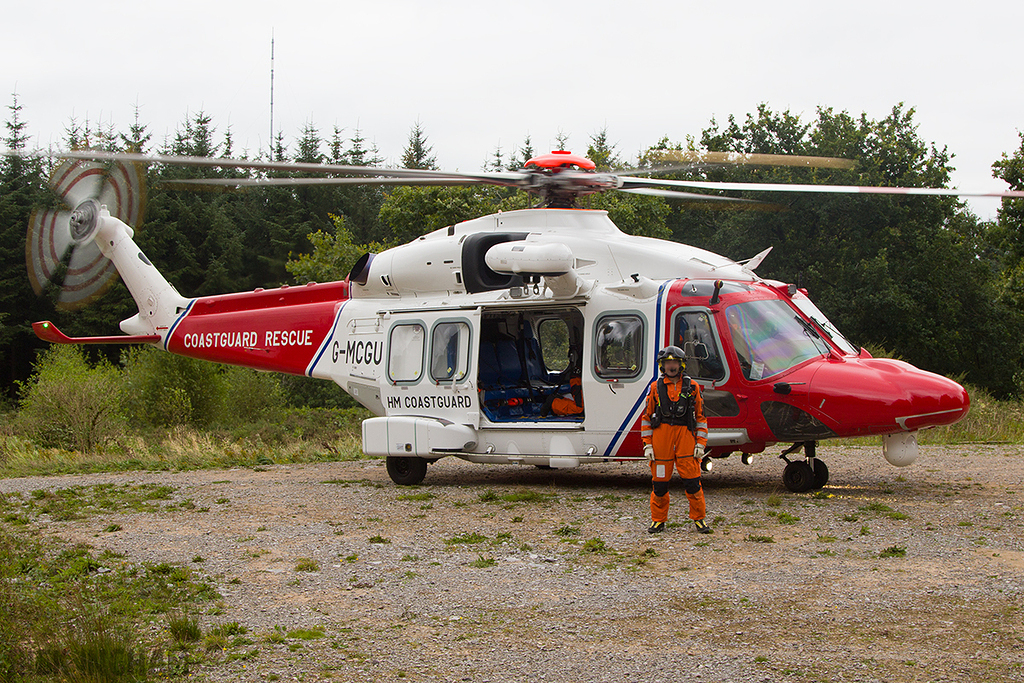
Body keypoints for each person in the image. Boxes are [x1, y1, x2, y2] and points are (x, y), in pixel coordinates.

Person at [641, 345, 711, 534]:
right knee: (660, 484)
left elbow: (701, 417)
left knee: (693, 482)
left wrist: (700, 444)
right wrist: (647, 445)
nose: (671, 366)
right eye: (667, 362)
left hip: (685, 438)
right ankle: (658, 520)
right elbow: (647, 417)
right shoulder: (655, 387)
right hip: (661, 439)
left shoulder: (693, 387)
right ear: (662, 365)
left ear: (681, 365)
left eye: (674, 362)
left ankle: (699, 519)